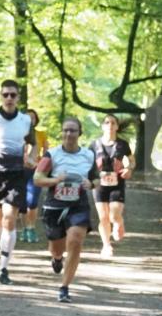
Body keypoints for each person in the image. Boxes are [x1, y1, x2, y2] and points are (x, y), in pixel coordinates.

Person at [34, 116, 99, 302]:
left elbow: (96, 178)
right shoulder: (52, 155)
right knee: (57, 247)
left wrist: (91, 183)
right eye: (66, 130)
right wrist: (56, 180)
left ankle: (64, 287)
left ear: (80, 134)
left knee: (75, 241)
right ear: (61, 133)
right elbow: (37, 179)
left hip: (78, 205)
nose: (69, 134)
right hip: (54, 206)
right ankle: (56, 258)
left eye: (73, 130)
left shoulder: (88, 155)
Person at [0, 80, 35, 284]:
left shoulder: (25, 120)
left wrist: (31, 157)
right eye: (6, 95)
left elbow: (32, 144)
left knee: (9, 218)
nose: (9, 98)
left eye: (13, 95)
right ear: (1, 97)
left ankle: (3, 268)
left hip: (16, 173)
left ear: (18, 97)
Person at [90, 114, 135, 258]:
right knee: (103, 217)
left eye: (113, 123)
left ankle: (118, 223)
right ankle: (106, 246)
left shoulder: (123, 144)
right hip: (99, 184)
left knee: (114, 215)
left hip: (117, 183)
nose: (110, 125)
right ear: (103, 126)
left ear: (116, 126)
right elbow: (86, 162)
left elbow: (132, 161)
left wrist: (129, 169)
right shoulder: (94, 144)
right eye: (107, 122)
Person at [21, 108, 49, 242]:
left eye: (32, 117)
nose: (30, 120)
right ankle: (24, 228)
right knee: (22, 201)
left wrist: (41, 164)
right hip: (20, 170)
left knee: (32, 200)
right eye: (27, 117)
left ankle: (31, 228)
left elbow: (46, 153)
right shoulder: (17, 133)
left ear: (36, 120)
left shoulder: (41, 134)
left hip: (35, 170)